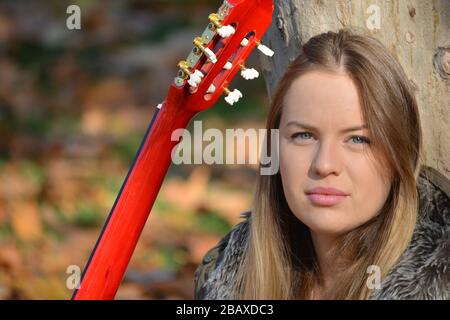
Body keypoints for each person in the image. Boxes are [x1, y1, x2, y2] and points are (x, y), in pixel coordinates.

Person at [194, 29, 450, 300]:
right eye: (304, 135)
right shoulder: (223, 281)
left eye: (358, 139)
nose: (324, 164)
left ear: (401, 155)